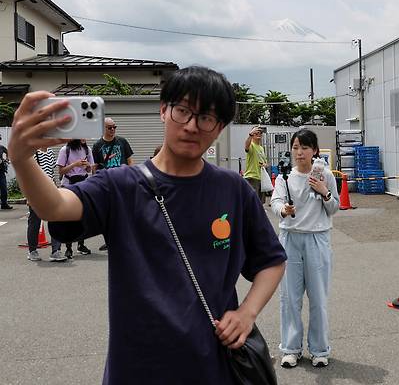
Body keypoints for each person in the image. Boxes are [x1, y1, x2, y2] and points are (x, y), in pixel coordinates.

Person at [8, 66, 286, 384]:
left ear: (219, 127)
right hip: (136, 367)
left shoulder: (233, 190)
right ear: (163, 110)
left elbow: (272, 261)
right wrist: (21, 158)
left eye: (207, 117)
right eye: (183, 110)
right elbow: (54, 207)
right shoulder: (118, 185)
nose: (193, 126)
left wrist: (247, 312)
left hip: (213, 366)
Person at [271, 129, 339, 369]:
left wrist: (324, 191)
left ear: (315, 151)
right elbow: (276, 201)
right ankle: (291, 349)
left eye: (305, 147)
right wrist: (283, 210)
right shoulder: (284, 177)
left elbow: (334, 207)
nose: (299, 153)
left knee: (318, 298)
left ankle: (320, 350)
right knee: (289, 297)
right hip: (290, 239)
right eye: (296, 147)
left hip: (317, 238)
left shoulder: (325, 175)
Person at [92, 118, 133, 251]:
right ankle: (110, 240)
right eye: (109, 127)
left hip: (123, 181)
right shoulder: (98, 146)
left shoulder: (122, 141)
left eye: (114, 127)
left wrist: (132, 177)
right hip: (107, 184)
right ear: (103, 128)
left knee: (125, 212)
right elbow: (96, 167)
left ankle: (127, 239)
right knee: (108, 214)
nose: (113, 130)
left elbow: (130, 161)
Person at [27, 148, 67, 262]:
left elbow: (51, 173)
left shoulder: (50, 152)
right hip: (36, 192)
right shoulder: (33, 153)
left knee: (55, 220)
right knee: (35, 221)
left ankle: (56, 251)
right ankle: (32, 251)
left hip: (50, 190)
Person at [56, 139, 94, 258]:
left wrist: (87, 166)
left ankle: (81, 244)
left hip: (83, 184)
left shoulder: (87, 150)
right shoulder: (65, 150)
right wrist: (74, 165)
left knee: (83, 216)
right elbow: (61, 171)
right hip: (68, 184)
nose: (84, 138)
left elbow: (90, 169)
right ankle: (68, 247)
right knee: (69, 217)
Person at [244, 125, 267, 203]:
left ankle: (259, 214)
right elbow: (246, 147)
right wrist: (250, 135)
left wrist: (264, 164)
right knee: (252, 202)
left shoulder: (261, 148)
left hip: (261, 178)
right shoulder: (251, 145)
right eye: (256, 133)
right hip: (251, 177)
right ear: (253, 134)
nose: (259, 134)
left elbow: (265, 162)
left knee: (260, 202)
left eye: (260, 133)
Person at [0, 133, 12, 210]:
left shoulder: (1, 147)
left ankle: (4, 203)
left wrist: (7, 159)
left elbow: (8, 152)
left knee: (3, 187)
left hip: (1, 170)